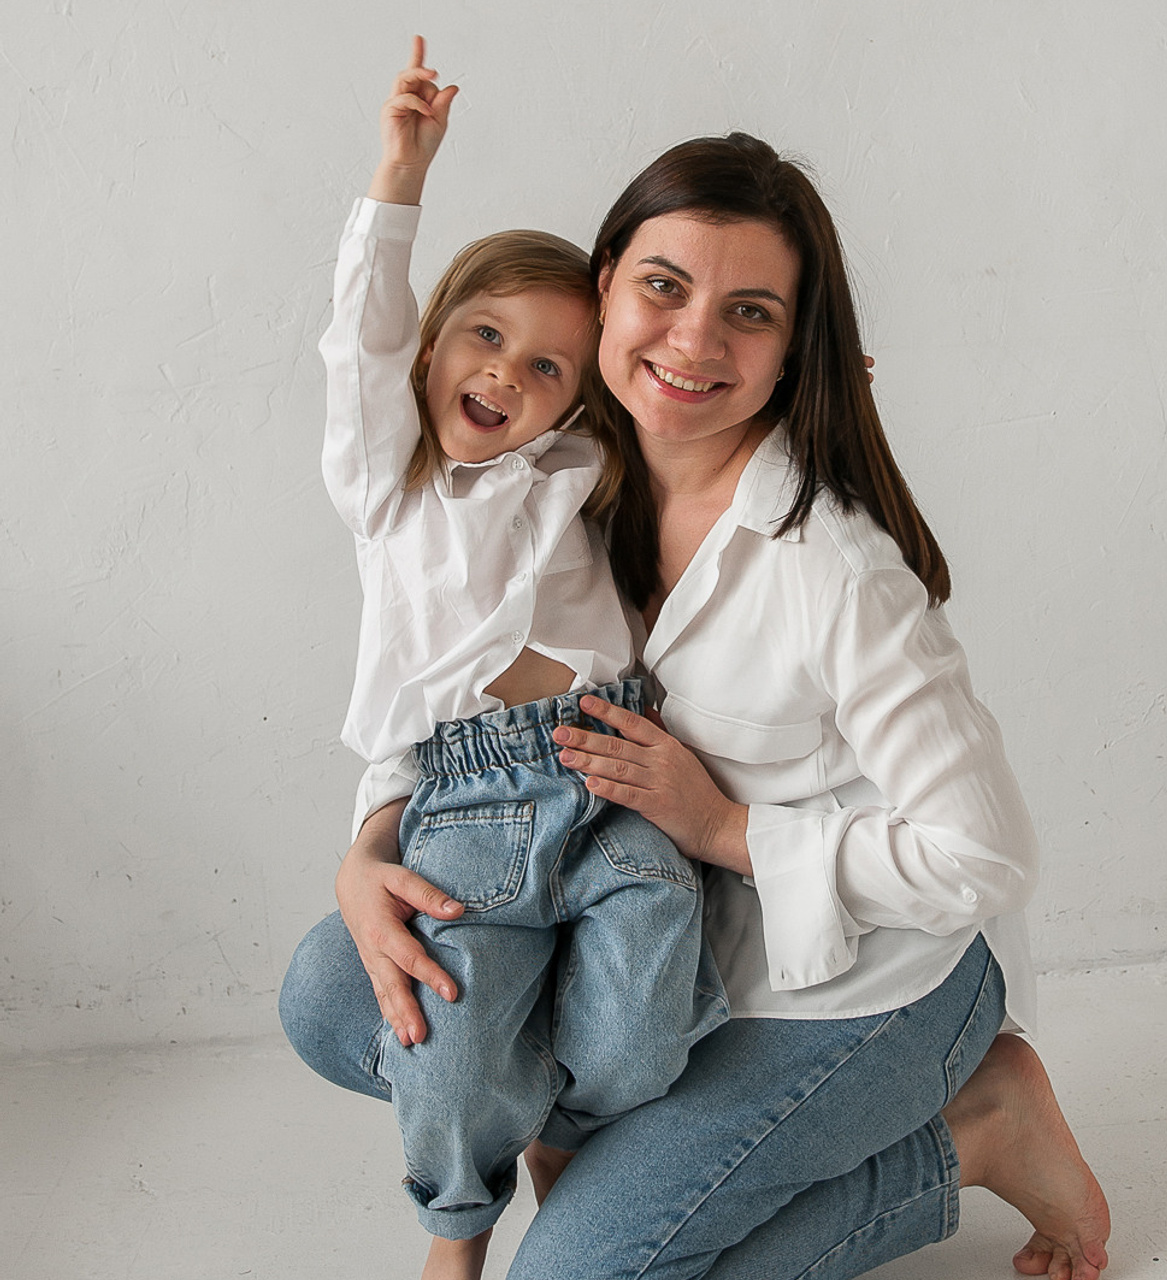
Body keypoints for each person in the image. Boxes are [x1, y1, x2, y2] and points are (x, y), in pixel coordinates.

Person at [285, 61, 1112, 1280]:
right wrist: (372, 846)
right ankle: (586, 1122)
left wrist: (726, 826)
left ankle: (976, 1122)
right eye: (663, 288)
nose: (691, 340)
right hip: (649, 942)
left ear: (794, 347)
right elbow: (445, 656)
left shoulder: (833, 569)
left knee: (575, 1274)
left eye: (751, 314)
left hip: (852, 984)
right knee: (327, 988)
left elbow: (985, 856)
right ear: (602, 287)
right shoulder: (562, 464)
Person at [281, 41, 726, 1280]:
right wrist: (399, 177)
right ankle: (457, 1226)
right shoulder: (393, 485)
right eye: (483, 337)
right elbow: (355, 346)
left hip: (614, 761)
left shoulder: (581, 472)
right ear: (431, 348)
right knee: (448, 1032)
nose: (505, 375)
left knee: (644, 1018)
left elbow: (686, 408)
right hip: (469, 798)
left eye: (544, 369)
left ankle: (564, 1134)